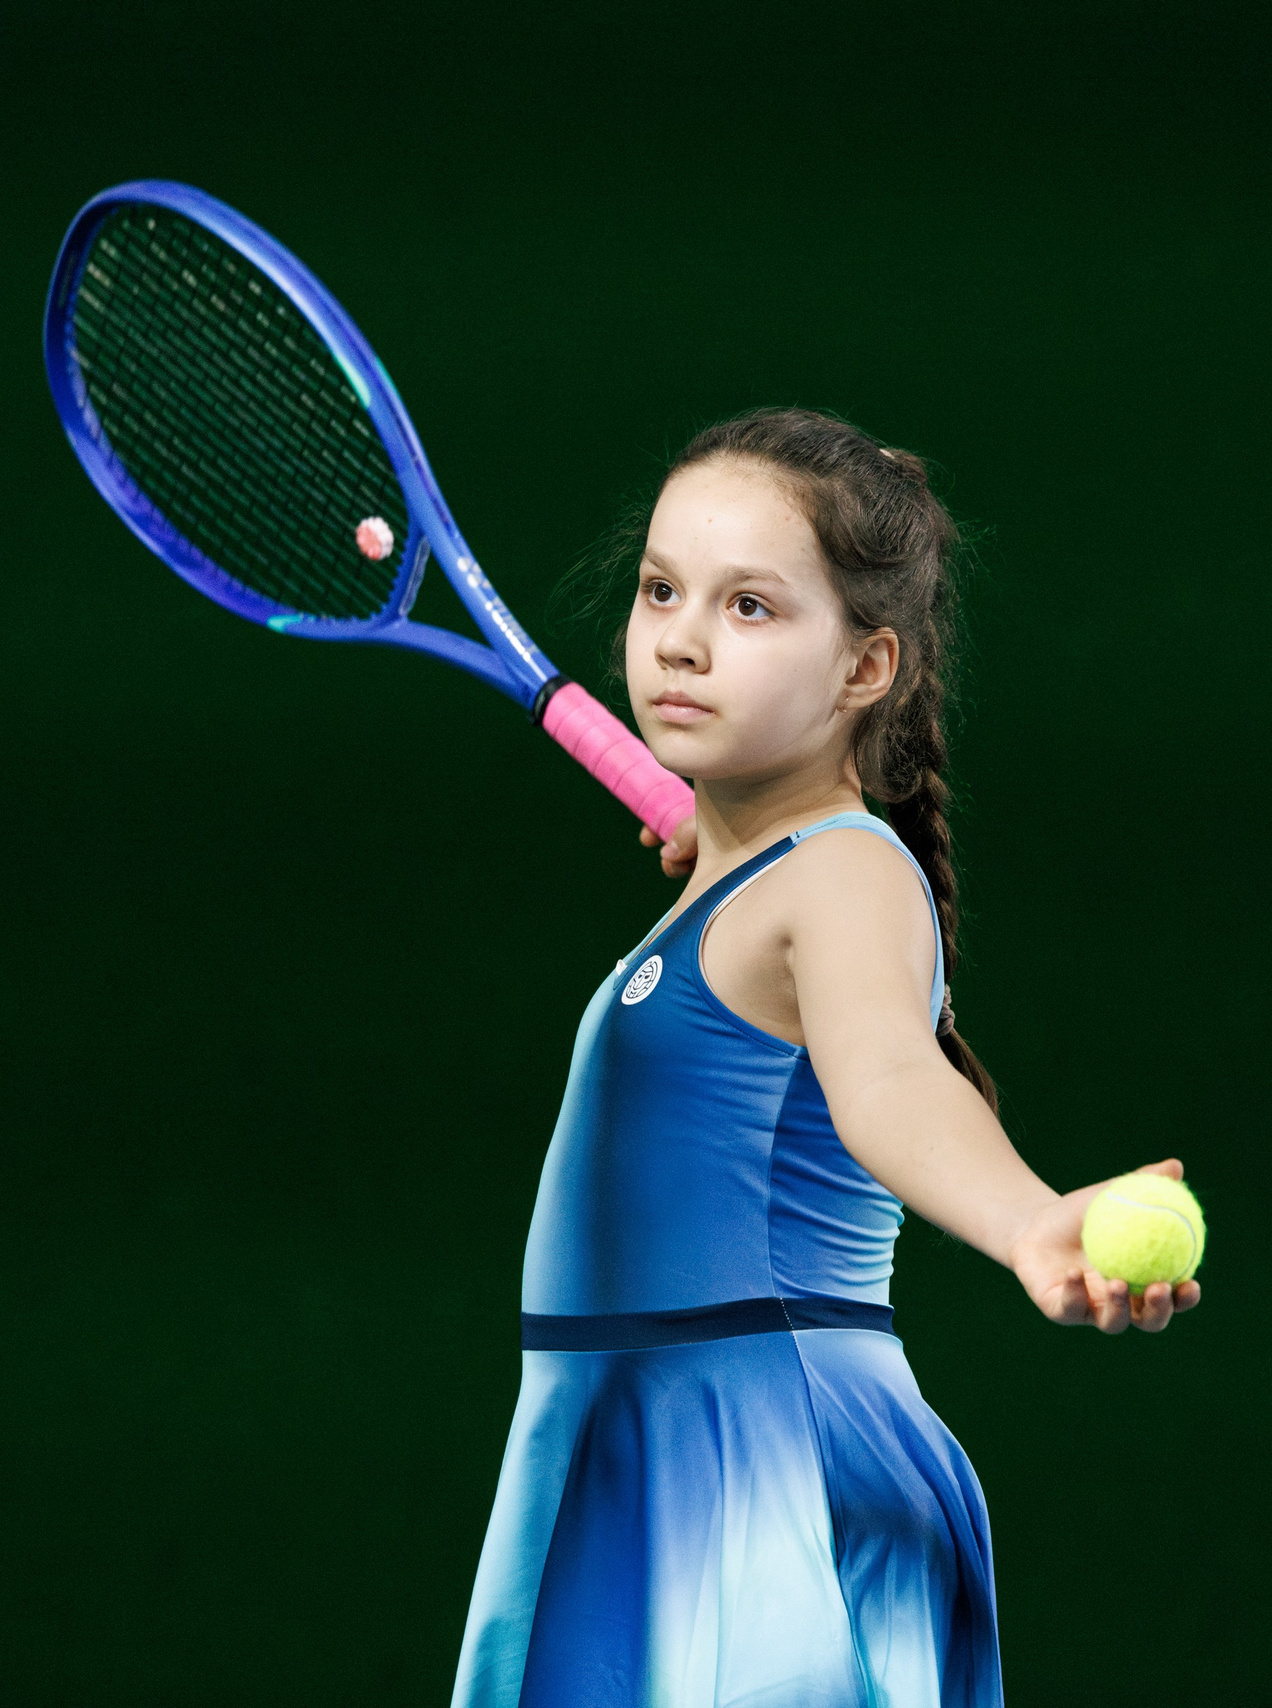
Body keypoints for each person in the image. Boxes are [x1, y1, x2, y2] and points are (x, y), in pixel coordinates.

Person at [451, 408, 1200, 1707]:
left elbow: (892, 1085)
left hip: (749, 1453)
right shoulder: (751, 875)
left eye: (751, 608)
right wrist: (722, 852)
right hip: (637, 1430)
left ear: (867, 670)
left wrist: (1030, 1220)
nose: (680, 637)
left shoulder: (844, 875)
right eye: (662, 589)